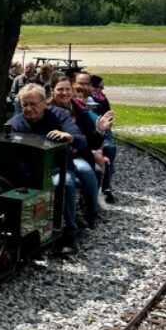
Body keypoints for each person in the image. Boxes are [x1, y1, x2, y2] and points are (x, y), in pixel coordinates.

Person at [8, 83, 87, 254]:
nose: (28, 108)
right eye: (25, 105)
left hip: (58, 169)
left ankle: (69, 235)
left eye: (33, 104)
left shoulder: (60, 115)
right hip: (28, 173)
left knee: (64, 183)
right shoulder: (15, 124)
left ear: (45, 102)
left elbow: (82, 141)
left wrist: (69, 136)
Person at [48, 74, 104, 230]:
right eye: (60, 89)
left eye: (68, 89)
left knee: (86, 170)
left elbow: (93, 143)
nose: (64, 93)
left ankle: (91, 212)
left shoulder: (80, 110)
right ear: (52, 91)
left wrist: (100, 130)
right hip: (58, 157)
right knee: (78, 174)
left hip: (78, 154)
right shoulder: (46, 110)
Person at [76, 72, 118, 203]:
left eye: (86, 84)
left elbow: (100, 131)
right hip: (78, 149)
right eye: (81, 84)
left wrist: (101, 131)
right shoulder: (72, 108)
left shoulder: (97, 102)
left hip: (93, 141)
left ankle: (104, 189)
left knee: (108, 149)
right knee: (97, 161)